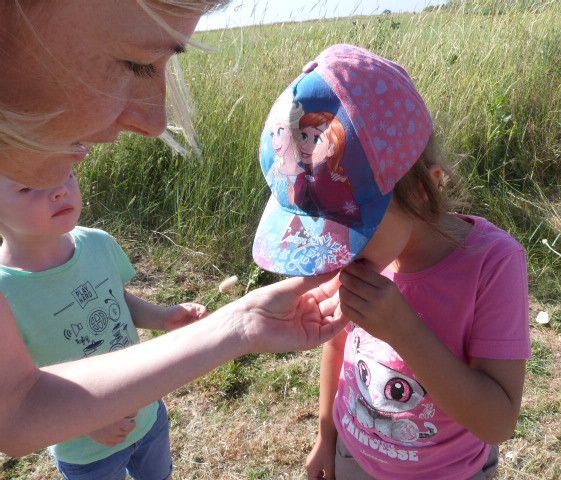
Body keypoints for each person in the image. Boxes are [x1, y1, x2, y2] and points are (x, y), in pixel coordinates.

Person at [0, 0, 346, 458]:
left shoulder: (94, 245)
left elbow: (16, 408)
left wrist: (240, 323)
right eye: (136, 63)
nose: (155, 122)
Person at [252, 44, 531, 479]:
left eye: (347, 230)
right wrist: (327, 435)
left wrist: (403, 330)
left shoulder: (493, 265)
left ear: (423, 192)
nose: (333, 255)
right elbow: (338, 343)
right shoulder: (366, 256)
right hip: (353, 456)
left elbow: (498, 420)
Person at [0, 170, 212, 478]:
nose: (59, 189)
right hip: (86, 448)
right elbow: (22, 389)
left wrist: (161, 316)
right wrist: (89, 419)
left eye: (67, 173)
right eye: (28, 187)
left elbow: (116, 297)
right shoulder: (5, 292)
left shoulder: (97, 243)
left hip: (146, 412)